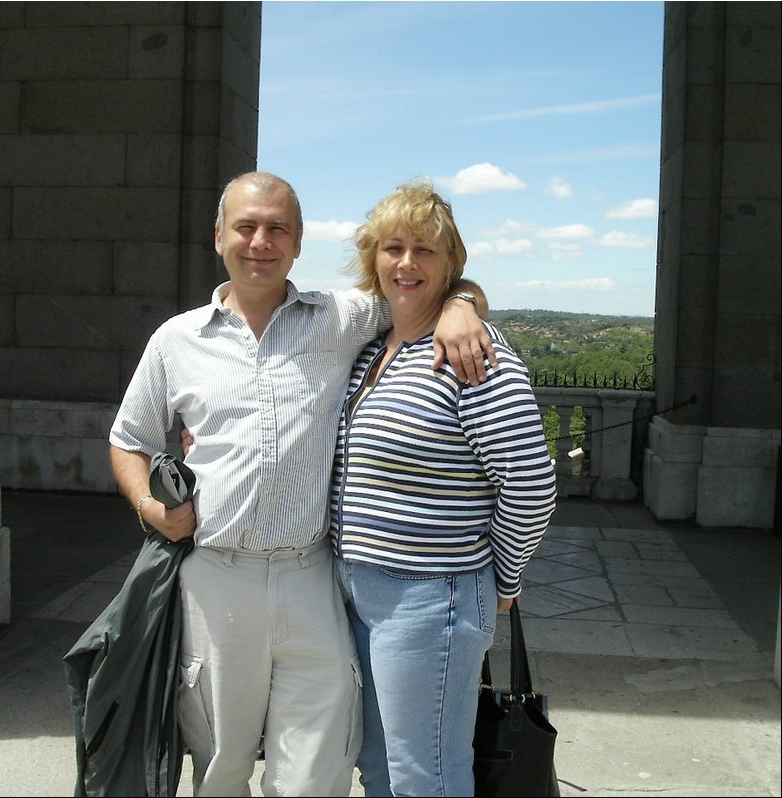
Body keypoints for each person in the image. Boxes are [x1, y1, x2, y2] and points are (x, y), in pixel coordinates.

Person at [108, 171, 498, 797]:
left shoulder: (339, 319)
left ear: (297, 244)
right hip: (217, 577)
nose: (260, 241)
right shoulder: (175, 341)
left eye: (277, 230)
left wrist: (462, 304)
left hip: (313, 575)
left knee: (319, 764)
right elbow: (128, 438)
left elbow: (420, 282)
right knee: (219, 760)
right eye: (246, 227)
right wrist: (149, 505)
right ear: (218, 237)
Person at [329, 180, 557, 797]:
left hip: (431, 596)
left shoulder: (474, 356)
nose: (407, 263)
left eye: (426, 250)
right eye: (393, 247)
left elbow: (531, 485)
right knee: (378, 767)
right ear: (372, 258)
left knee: (423, 775)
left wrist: (502, 581)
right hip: (356, 589)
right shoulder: (373, 350)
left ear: (451, 263)